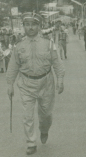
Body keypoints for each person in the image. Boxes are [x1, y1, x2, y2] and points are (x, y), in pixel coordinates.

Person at [6, 12, 65, 155]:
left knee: (46, 114)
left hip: (46, 83)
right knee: (27, 116)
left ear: (39, 26)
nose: (30, 27)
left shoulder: (48, 44)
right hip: (26, 84)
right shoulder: (18, 46)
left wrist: (60, 79)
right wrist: (10, 84)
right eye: (27, 24)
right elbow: (13, 66)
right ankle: (31, 142)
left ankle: (44, 130)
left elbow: (56, 63)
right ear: (23, 26)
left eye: (33, 24)